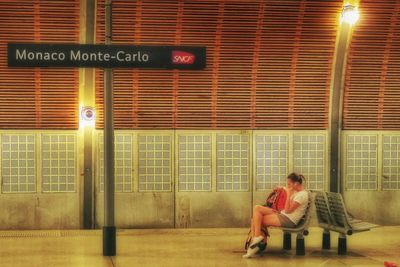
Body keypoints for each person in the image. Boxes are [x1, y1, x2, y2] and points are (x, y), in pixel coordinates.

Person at [243, 172, 308, 258]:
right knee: (257, 208)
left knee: (257, 220)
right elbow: (287, 207)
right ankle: (257, 239)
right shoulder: (297, 192)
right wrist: (281, 189)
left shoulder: (302, 196)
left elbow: (288, 211)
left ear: (296, 184)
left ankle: (257, 243)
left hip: (289, 220)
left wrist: (288, 193)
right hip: (283, 214)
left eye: (289, 184)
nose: (288, 186)